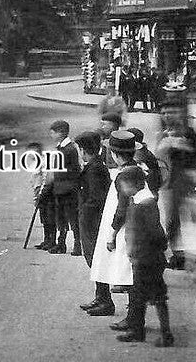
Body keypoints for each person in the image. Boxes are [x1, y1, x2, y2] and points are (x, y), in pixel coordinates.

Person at [109, 166, 174, 347]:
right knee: (148, 296)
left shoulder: (143, 204)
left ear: (133, 185)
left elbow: (156, 232)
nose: (122, 190)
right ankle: (152, 332)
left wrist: (155, 250)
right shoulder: (140, 201)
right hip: (145, 258)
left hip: (146, 259)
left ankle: (145, 333)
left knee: (146, 297)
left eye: (123, 186)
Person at [91, 131, 140, 308]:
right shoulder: (134, 170)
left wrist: (112, 233)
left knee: (125, 269)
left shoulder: (124, 176)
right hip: (129, 226)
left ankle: (132, 317)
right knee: (124, 268)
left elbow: (122, 207)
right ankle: (129, 313)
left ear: (115, 154)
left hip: (122, 229)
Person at [155, 91, 196, 270]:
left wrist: (183, 146)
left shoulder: (189, 133)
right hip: (168, 183)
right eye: (164, 112)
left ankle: (194, 254)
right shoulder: (163, 134)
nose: (167, 116)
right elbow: (157, 159)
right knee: (172, 219)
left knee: (190, 218)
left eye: (171, 112)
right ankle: (177, 254)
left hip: (186, 180)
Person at [75, 131, 115, 316]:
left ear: (83, 150)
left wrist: (83, 213)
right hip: (93, 220)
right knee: (94, 259)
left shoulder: (94, 168)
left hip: (93, 222)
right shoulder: (95, 165)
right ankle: (101, 297)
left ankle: (105, 301)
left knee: (95, 259)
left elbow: (95, 198)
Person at [47, 120, 82, 256]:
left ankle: (77, 244)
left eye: (53, 133)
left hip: (68, 188)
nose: (51, 135)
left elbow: (72, 170)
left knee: (72, 218)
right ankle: (61, 243)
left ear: (61, 133)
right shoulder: (62, 147)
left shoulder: (69, 149)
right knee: (60, 218)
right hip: (61, 188)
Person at [27, 141, 57, 251]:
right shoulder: (34, 164)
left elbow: (47, 179)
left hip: (47, 192)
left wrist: (42, 192)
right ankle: (46, 239)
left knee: (50, 217)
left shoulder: (45, 161)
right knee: (43, 218)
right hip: (38, 192)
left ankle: (52, 240)